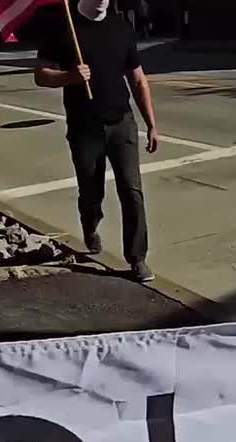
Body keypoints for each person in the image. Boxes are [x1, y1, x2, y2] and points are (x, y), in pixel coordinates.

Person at [35, 0, 158, 283]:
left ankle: (137, 258)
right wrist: (69, 77)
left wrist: (151, 124)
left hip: (122, 123)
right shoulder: (64, 26)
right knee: (91, 192)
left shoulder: (121, 27)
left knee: (132, 190)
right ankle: (90, 224)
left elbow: (138, 79)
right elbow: (40, 74)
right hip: (84, 127)